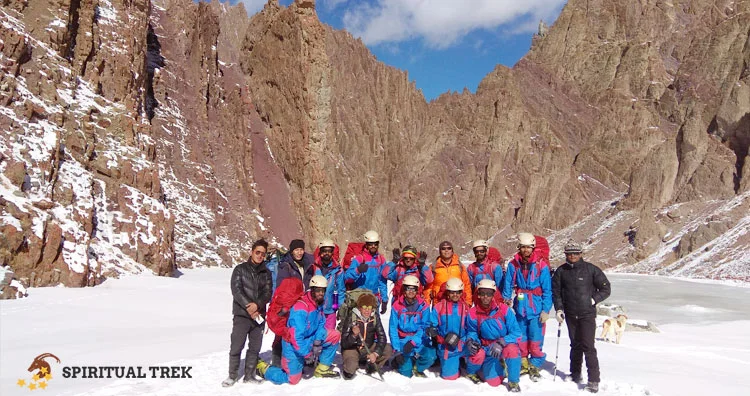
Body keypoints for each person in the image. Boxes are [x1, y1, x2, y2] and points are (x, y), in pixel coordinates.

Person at [257, 275, 341, 384]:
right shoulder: (301, 308)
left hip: (309, 338)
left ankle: (321, 370)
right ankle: (264, 369)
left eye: (323, 291)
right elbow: (296, 337)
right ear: (312, 290)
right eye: (318, 290)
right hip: (292, 345)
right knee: (292, 379)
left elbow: (321, 323)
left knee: (335, 335)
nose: (321, 293)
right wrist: (307, 354)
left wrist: (317, 341)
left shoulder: (318, 304)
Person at [552, 241, 611, 393]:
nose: (572, 256)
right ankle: (575, 373)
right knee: (575, 344)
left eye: (575, 253)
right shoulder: (561, 271)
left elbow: (606, 288)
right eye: (569, 253)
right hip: (570, 314)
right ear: (565, 255)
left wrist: (593, 299)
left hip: (587, 314)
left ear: (581, 254)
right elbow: (556, 293)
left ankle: (593, 380)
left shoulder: (591, 270)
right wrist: (559, 309)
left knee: (588, 346)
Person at [501, 232, 552, 381]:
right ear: (519, 248)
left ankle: (535, 364)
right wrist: (506, 301)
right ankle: (523, 361)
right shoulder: (514, 264)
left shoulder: (541, 265)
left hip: (536, 308)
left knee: (536, 340)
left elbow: (547, 290)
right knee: (521, 338)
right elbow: (508, 284)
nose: (526, 250)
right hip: (520, 307)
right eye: (523, 247)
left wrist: (546, 310)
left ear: (533, 248)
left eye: (529, 247)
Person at [223, 239, 273, 387]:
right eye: (257, 252)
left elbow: (268, 292)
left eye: (263, 254)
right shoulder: (240, 269)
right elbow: (236, 290)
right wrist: (248, 306)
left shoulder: (266, 273)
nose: (260, 256)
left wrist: (257, 305)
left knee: (255, 347)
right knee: (237, 345)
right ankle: (232, 375)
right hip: (242, 315)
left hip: (259, 315)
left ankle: (249, 375)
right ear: (251, 252)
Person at [465, 279, 522, 392]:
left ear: (493, 295)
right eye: (482, 293)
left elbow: (516, 333)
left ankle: (513, 381)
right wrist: (471, 340)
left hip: (503, 345)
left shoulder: (504, 310)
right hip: (487, 348)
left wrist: (501, 342)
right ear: (479, 295)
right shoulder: (473, 313)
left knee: (513, 350)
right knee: (494, 382)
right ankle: (492, 367)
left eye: (489, 294)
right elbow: (472, 331)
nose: (486, 297)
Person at [272, 239, 315, 366]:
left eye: (301, 249)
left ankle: (297, 358)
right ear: (292, 251)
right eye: (296, 250)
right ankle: (277, 359)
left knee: (299, 330)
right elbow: (281, 286)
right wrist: (287, 303)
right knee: (282, 331)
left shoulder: (307, 264)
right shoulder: (286, 266)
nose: (299, 252)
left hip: (303, 303)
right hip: (289, 304)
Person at [389, 275, 436, 378]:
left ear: (417, 290)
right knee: (406, 373)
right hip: (403, 341)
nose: (411, 291)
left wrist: (414, 341)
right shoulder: (397, 306)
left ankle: (418, 367)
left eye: (413, 289)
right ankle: (400, 362)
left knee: (431, 355)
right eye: (408, 288)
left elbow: (425, 326)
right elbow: (393, 329)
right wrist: (397, 350)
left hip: (418, 340)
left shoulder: (423, 306)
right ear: (404, 290)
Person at [339, 293, 393, 379]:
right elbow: (344, 343)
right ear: (359, 307)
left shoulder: (375, 317)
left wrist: (376, 353)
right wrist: (353, 335)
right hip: (353, 348)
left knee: (388, 349)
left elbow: (382, 337)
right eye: (364, 307)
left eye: (370, 307)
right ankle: (353, 363)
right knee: (350, 370)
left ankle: (372, 365)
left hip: (369, 347)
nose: (367, 310)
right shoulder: (351, 318)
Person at [428, 277, 470, 380]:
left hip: (463, 343)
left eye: (458, 292)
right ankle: (454, 364)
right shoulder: (439, 307)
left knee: (479, 354)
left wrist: (466, 340)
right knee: (450, 377)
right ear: (447, 293)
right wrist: (437, 335)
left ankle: (469, 365)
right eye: (452, 292)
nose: (455, 295)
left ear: (461, 293)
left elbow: (471, 328)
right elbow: (432, 325)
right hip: (447, 346)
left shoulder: (466, 308)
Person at [344, 230, 389, 314]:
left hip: (374, 299)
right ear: (366, 245)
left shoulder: (381, 260)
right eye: (370, 244)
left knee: (373, 325)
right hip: (359, 298)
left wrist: (384, 299)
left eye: (375, 244)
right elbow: (347, 277)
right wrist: (358, 270)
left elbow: (382, 281)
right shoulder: (359, 259)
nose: (373, 246)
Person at [425, 241, 472, 305]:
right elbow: (428, 287)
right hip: (439, 303)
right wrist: (427, 304)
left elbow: (466, 285)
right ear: (440, 251)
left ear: (452, 251)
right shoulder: (433, 267)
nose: (446, 250)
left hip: (458, 302)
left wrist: (468, 302)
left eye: (449, 248)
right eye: (443, 249)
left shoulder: (459, 266)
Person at [314, 239, 345, 330]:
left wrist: (340, 307)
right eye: (324, 251)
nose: (327, 253)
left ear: (332, 252)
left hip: (330, 310)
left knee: (329, 336)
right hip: (315, 309)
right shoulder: (314, 267)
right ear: (320, 252)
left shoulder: (338, 270)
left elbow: (341, 290)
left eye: (329, 251)